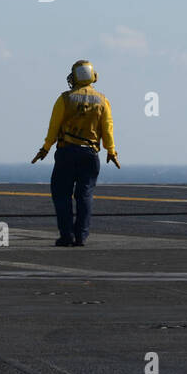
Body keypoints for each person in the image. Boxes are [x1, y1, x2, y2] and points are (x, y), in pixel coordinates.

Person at [31, 60, 119, 246]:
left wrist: (45, 148)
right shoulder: (102, 100)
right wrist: (111, 151)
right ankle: (81, 236)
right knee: (85, 195)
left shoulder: (65, 99)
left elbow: (54, 127)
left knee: (61, 194)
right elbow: (107, 128)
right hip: (90, 155)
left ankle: (66, 235)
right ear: (93, 76)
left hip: (66, 153)